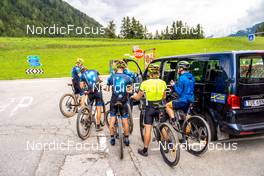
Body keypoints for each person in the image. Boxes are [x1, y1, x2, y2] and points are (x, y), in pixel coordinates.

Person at [131, 65, 167, 157]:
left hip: (150, 108)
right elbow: (164, 97)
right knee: (162, 127)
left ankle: (145, 150)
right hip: (160, 107)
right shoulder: (163, 82)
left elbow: (138, 97)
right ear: (158, 73)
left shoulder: (145, 83)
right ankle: (166, 146)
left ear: (149, 74)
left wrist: (133, 96)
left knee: (147, 129)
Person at [106, 60, 132, 146]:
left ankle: (112, 138)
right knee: (125, 120)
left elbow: (107, 88)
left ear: (116, 68)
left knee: (112, 119)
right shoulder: (128, 77)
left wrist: (107, 88)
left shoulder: (111, 77)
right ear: (123, 68)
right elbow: (130, 90)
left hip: (114, 101)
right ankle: (127, 138)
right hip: (123, 101)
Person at [79, 67, 104, 131]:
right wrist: (99, 81)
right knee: (98, 108)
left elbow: (81, 86)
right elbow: (100, 79)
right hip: (98, 90)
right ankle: (98, 125)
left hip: (90, 92)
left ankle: (87, 119)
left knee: (89, 105)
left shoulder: (82, 75)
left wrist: (85, 88)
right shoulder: (95, 70)